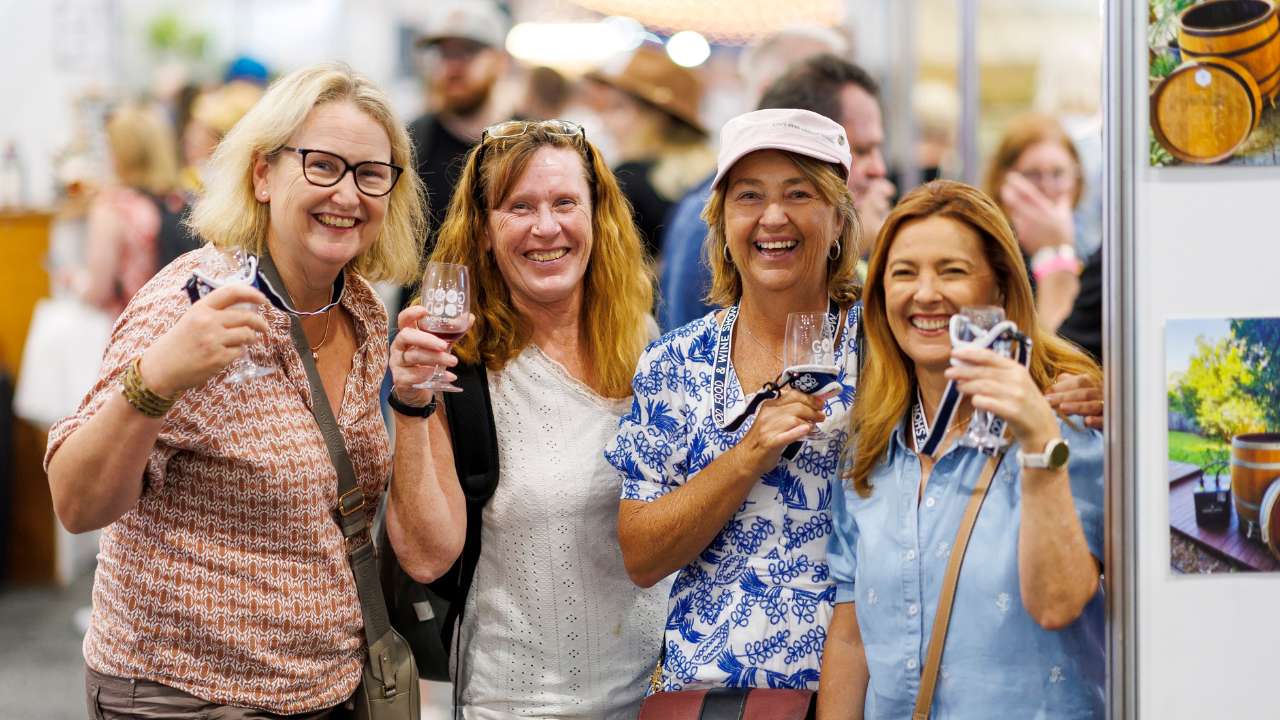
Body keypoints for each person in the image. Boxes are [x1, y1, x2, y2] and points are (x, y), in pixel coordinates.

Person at [45, 63, 464, 718]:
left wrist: (412, 399)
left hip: (326, 690)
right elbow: (76, 502)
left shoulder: (360, 308)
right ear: (263, 174)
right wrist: (157, 378)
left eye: (370, 173)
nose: (348, 195)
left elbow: (393, 534)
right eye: (322, 165)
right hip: (189, 696)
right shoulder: (189, 303)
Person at [393, 119, 668, 717]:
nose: (547, 227)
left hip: (656, 697)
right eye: (519, 207)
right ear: (486, 231)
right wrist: (411, 405)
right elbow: (425, 558)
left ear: (597, 217)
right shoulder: (459, 371)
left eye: (565, 202)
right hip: (517, 704)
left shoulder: (649, 350)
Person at [817, 180, 1104, 717]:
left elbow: (1058, 603)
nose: (925, 294)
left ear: (998, 290)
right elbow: (852, 633)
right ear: (880, 295)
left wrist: (1041, 442)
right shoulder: (869, 449)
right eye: (903, 273)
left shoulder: (1069, 427)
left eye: (952, 271)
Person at [610, 108, 863, 691]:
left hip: (862, 690)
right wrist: (748, 454)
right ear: (721, 220)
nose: (773, 217)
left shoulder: (885, 349)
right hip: (712, 697)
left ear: (839, 217)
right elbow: (642, 556)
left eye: (799, 193)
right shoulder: (675, 361)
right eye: (748, 196)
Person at [660, 54, 894, 331]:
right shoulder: (675, 358)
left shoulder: (878, 350)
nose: (878, 169)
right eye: (862, 150)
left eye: (797, 194)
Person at [985, 113, 1102, 360]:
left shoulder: (1093, 255)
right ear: (1003, 181)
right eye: (1033, 175)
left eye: (1058, 174)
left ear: (1076, 179)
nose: (1048, 186)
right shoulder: (989, 256)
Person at [405, 0, 510, 265]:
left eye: (467, 52)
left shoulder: (527, 141)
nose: (453, 66)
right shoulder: (410, 142)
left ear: (500, 62)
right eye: (443, 53)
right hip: (425, 303)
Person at [587, 45, 716, 258]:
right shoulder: (709, 175)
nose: (606, 121)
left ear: (655, 118)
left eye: (618, 108)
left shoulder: (628, 179)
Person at [81, 102, 186, 317]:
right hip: (175, 324)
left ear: (120, 153)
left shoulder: (113, 208)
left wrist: (74, 282)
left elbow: (98, 291)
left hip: (130, 329)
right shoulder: (178, 201)